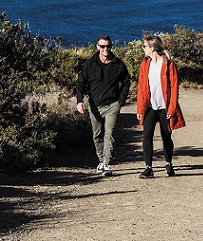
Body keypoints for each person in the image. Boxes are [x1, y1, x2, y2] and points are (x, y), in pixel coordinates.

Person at [75, 35, 130, 176]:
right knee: (97, 135)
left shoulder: (118, 64)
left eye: (108, 46)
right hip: (94, 105)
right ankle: (101, 160)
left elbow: (126, 82)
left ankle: (106, 163)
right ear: (97, 47)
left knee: (109, 134)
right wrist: (80, 101)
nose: (106, 49)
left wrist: (120, 101)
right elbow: (80, 83)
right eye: (102, 46)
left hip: (112, 105)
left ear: (111, 46)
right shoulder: (90, 64)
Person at [135, 35, 186, 178]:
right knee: (147, 136)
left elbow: (174, 88)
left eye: (145, 46)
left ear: (152, 48)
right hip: (150, 107)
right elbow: (141, 88)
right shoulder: (145, 64)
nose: (143, 49)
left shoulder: (169, 64)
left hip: (165, 107)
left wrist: (171, 109)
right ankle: (148, 168)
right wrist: (140, 109)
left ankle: (168, 164)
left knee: (166, 136)